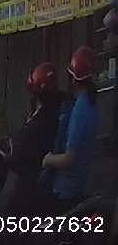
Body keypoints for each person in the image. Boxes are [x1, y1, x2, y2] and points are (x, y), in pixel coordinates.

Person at [41, 46, 101, 214]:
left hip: (63, 191)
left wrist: (47, 159)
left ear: (73, 79)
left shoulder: (80, 110)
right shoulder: (92, 105)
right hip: (79, 184)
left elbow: (68, 159)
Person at [7, 62, 66, 216]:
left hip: (35, 174)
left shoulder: (43, 116)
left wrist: (10, 149)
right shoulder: (59, 105)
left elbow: (23, 143)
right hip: (44, 169)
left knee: (9, 209)